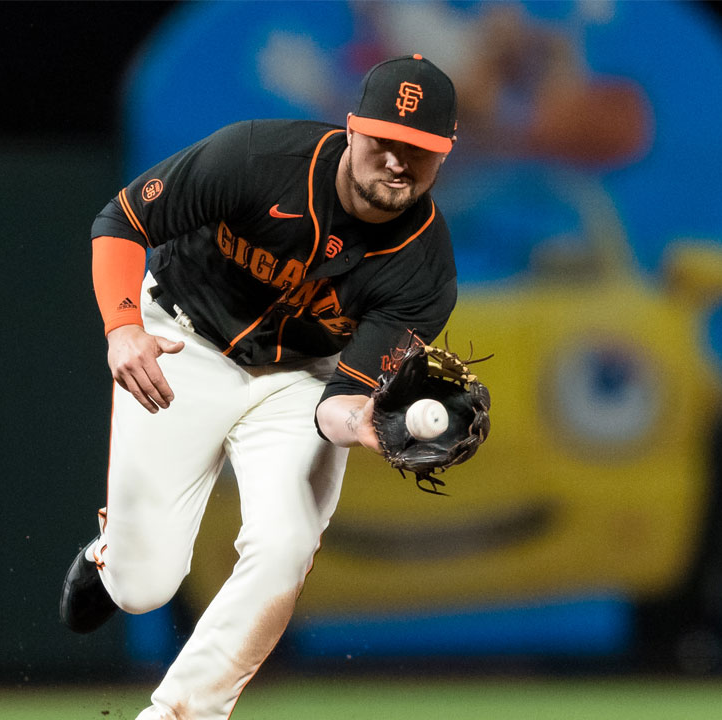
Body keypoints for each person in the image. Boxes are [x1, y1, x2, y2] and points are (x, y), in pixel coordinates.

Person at [60, 54, 460, 720]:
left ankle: (184, 712)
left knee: (287, 541)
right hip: (181, 341)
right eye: (386, 138)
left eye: (419, 149)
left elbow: (338, 403)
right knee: (143, 587)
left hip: (304, 377)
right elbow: (122, 220)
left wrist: (359, 422)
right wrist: (122, 327)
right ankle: (111, 558)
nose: (398, 159)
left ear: (443, 157)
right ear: (353, 127)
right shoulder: (256, 157)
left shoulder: (426, 272)